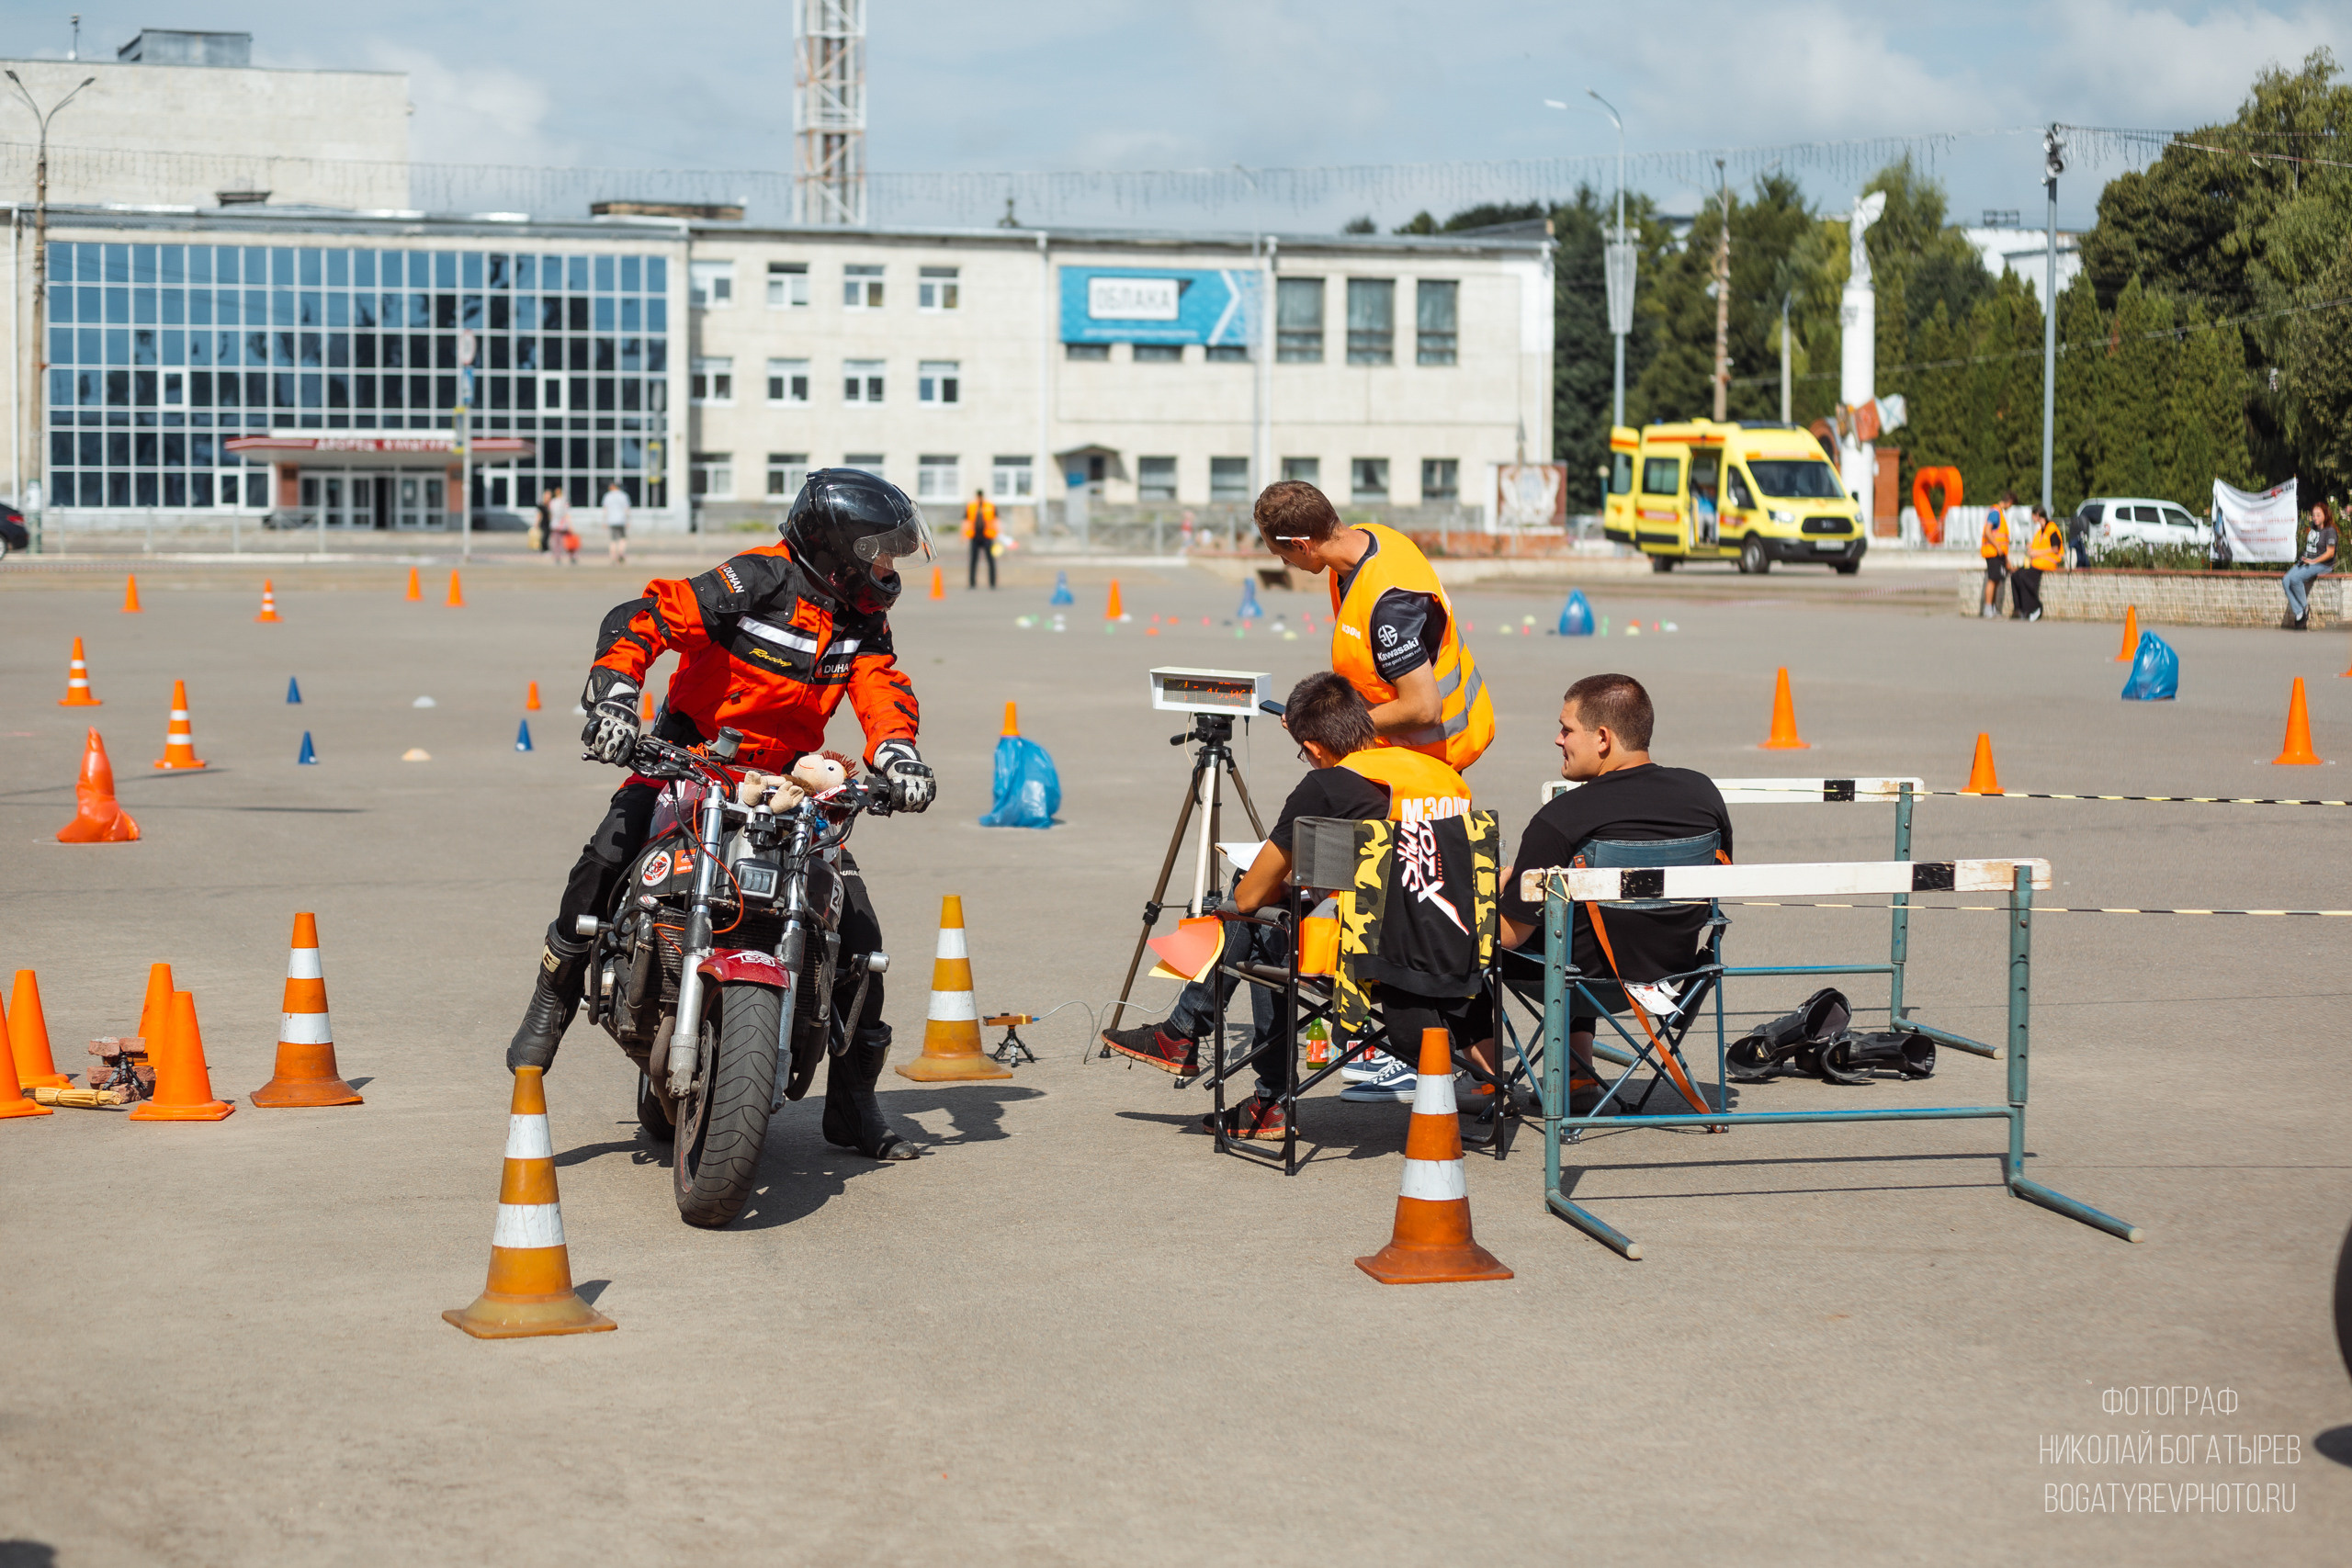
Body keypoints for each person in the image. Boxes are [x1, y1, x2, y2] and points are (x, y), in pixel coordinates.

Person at [507, 468, 941, 1161]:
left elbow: (882, 686)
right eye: (881, 553)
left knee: (859, 938)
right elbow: (646, 617)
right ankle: (554, 994)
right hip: (691, 755)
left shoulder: (861, 618)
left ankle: (853, 1105)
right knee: (606, 857)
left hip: (788, 784)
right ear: (838, 551)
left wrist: (898, 755)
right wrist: (615, 700)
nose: (889, 568)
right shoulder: (755, 580)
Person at [1097, 671, 1474, 1140]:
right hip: (1454, 946)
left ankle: (1253, 1086)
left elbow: (1249, 897)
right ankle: (1187, 1037)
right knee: (1275, 909)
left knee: (1257, 916)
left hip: (1370, 955)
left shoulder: (1330, 785)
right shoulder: (1441, 774)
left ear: (1313, 748)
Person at [1490, 673, 1733, 1115]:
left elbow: (1508, 936)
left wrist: (1490, 897)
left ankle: (1482, 1081)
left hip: (1583, 979)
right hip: (1673, 970)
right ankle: (1577, 1072)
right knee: (1585, 921)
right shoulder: (1703, 795)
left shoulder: (1563, 816)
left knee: (1461, 931)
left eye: (1566, 729)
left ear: (1602, 738)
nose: (1558, 739)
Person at [1253, 480, 1495, 772]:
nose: (1284, 563)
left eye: (1281, 554)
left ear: (1301, 545)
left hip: (1429, 756)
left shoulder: (1390, 607)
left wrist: (1332, 726)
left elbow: (1423, 708)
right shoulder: (1370, 539)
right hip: (1410, 745)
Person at [2283, 499, 2335, 631]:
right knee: (2286, 580)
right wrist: (2305, 559)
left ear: (2325, 515)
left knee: (2296, 579)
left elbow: (2330, 553)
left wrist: (2313, 561)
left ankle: (2304, 607)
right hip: (2307, 561)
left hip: (2322, 564)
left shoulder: (2330, 531)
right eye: (2314, 515)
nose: (2315, 518)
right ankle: (2299, 612)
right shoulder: (2313, 528)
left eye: (2318, 515)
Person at [2011, 504, 2065, 621]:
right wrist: (2030, 548)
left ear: (2037, 515)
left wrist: (2036, 552)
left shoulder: (2051, 528)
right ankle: (2019, 609)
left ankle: (2034, 607)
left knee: (2024, 577)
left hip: (2047, 562)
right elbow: (2037, 547)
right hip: (2037, 562)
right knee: (2015, 575)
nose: (2032, 519)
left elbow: (2055, 548)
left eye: (2032, 516)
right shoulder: (2040, 531)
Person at [1980, 493, 2013, 618]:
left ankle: (1992, 608)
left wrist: (2006, 558)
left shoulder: (1998, 512)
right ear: (2009, 502)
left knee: (1996, 580)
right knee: (1992, 580)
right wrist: (1998, 547)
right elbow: (1988, 531)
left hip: (1998, 553)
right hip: (1993, 552)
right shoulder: (1995, 512)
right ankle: (1988, 608)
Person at [962, 488, 998, 590]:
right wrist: (963, 535)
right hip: (975, 536)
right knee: (973, 560)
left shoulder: (989, 506)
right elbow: (966, 521)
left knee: (991, 560)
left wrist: (997, 534)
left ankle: (992, 583)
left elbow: (996, 520)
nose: (979, 498)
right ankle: (972, 583)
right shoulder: (971, 506)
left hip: (987, 536)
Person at [603, 478, 632, 566]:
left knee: (613, 540)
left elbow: (605, 510)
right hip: (621, 520)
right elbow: (627, 509)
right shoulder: (624, 496)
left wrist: (604, 521)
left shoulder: (608, 496)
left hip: (611, 520)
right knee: (623, 538)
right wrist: (628, 520)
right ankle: (621, 552)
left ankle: (613, 557)